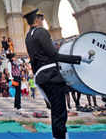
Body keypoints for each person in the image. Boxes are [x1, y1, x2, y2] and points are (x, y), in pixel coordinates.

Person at [23, 8, 94, 139]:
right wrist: (80, 58)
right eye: (42, 19)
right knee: (60, 113)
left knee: (56, 111)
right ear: (37, 20)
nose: (43, 21)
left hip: (41, 77)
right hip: (51, 76)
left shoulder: (28, 36)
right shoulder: (41, 32)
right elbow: (54, 55)